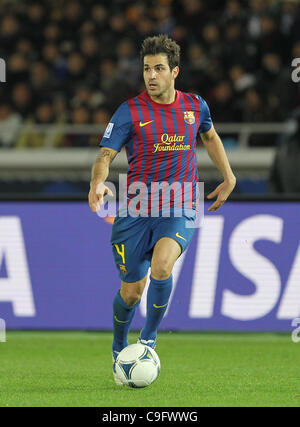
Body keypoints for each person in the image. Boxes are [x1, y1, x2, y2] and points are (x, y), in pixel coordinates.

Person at [88, 35, 236, 385]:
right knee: (131, 293)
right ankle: (119, 344)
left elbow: (211, 136)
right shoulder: (130, 111)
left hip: (181, 202)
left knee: (163, 265)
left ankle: (149, 340)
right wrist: (98, 182)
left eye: (158, 69)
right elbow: (104, 156)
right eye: (146, 69)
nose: (151, 76)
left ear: (174, 72)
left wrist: (228, 177)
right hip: (137, 208)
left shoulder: (195, 107)